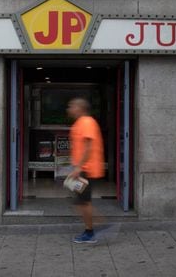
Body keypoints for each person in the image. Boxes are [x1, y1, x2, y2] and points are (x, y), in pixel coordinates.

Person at [67, 98, 104, 243]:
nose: (69, 109)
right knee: (81, 201)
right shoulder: (80, 122)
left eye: (71, 106)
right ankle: (94, 226)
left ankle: (91, 232)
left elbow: (88, 147)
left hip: (86, 170)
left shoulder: (87, 122)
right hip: (82, 169)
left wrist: (79, 167)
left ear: (80, 108)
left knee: (83, 202)